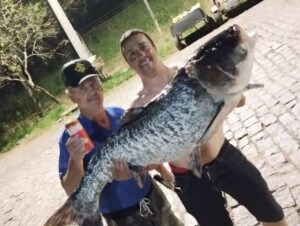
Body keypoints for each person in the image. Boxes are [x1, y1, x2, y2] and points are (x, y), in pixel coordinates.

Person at [120, 29, 287, 226]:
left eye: (142, 46)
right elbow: (149, 159)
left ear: (153, 47)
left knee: (272, 215)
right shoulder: (135, 109)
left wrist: (229, 88)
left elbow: (239, 100)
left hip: (224, 159)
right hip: (190, 181)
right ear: (130, 64)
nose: (140, 54)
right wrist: (131, 169)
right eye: (132, 54)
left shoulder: (190, 71)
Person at [58, 59, 183, 226]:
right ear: (71, 95)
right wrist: (75, 159)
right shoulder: (71, 136)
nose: (93, 91)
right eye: (83, 88)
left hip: (152, 195)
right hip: (122, 217)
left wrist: (162, 169)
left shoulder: (119, 113)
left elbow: (142, 145)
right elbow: (69, 188)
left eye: (94, 82)